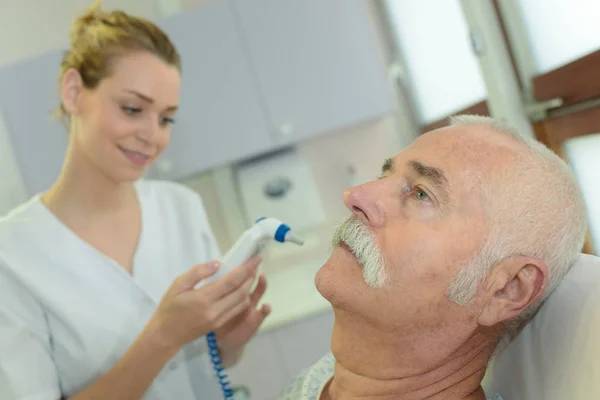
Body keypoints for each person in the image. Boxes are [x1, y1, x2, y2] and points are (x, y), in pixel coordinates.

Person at [0, 3, 271, 400]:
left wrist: (227, 342)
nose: (152, 135)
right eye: (132, 109)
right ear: (73, 91)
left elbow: (204, 365)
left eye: (166, 119)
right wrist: (163, 336)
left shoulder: (181, 207)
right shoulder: (12, 256)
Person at [278, 115, 588, 400]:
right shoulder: (317, 381)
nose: (355, 196)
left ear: (505, 289)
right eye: (383, 176)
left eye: (421, 193)